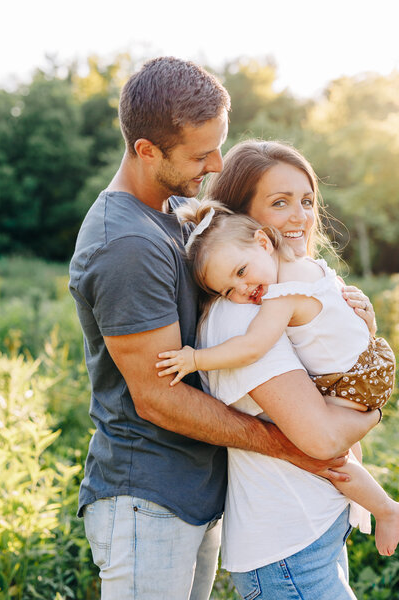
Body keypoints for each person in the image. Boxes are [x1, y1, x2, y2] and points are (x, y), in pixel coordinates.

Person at [69, 61, 378, 600]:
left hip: (199, 490)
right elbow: (158, 399)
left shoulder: (179, 215)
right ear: (146, 150)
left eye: (219, 147)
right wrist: (292, 446)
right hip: (149, 496)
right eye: (199, 154)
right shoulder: (126, 245)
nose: (215, 165)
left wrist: (347, 326)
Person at [153, 139, 386, 599]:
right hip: (287, 545)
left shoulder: (290, 292)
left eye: (306, 200)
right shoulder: (244, 312)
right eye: (280, 203)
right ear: (245, 218)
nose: (300, 217)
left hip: (310, 531)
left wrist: (359, 327)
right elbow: (322, 438)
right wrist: (376, 406)